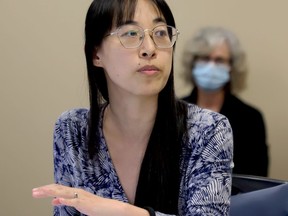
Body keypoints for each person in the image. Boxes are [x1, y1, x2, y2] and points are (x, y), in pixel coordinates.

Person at [32, 1, 233, 215]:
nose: (149, 49)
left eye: (160, 33)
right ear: (95, 54)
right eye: (130, 33)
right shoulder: (74, 129)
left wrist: (121, 212)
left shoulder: (207, 130)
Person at [181, 26, 269, 177]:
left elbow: (256, 180)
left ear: (232, 67)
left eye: (219, 60)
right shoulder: (174, 111)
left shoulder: (251, 118)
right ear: (193, 62)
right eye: (205, 58)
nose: (211, 66)